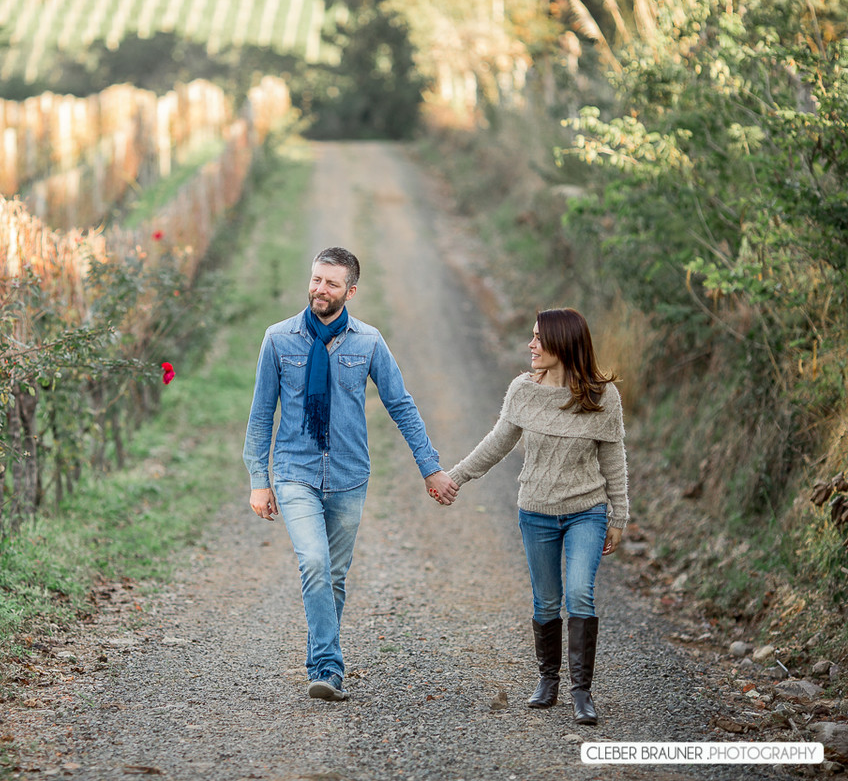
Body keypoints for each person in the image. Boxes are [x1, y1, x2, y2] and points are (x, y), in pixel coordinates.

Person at [244, 247, 458, 701]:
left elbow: (401, 404)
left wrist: (430, 468)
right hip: (294, 471)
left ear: (351, 291)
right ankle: (327, 667)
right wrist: (258, 479)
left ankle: (320, 657)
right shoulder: (278, 339)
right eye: (317, 279)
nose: (320, 289)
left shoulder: (369, 342)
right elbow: (262, 415)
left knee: (334, 576)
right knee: (315, 563)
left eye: (332, 283)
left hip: (348, 476)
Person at [443, 307, 628, 725]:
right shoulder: (523, 390)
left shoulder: (601, 395)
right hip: (537, 512)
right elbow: (497, 443)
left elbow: (613, 457)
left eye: (539, 339)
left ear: (563, 344)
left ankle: (582, 693)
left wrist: (619, 515)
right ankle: (548, 681)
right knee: (546, 599)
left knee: (580, 592)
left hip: (587, 511)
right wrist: (455, 477)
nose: (531, 345)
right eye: (531, 337)